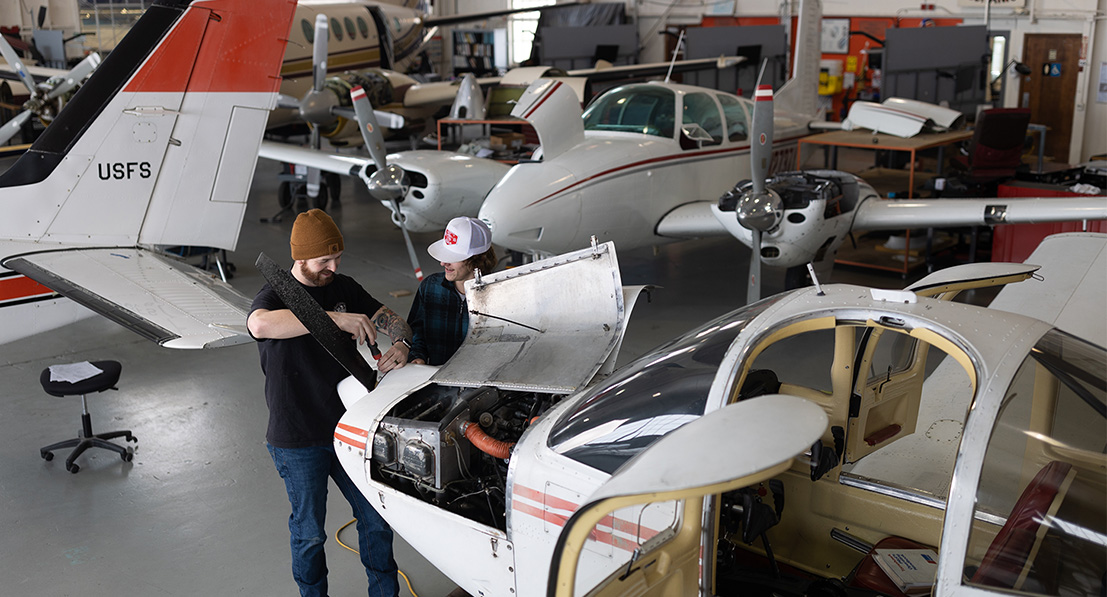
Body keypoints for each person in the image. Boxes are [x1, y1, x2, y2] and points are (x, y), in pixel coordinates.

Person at [247, 209, 409, 597]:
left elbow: (394, 321)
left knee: (375, 520)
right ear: (300, 257)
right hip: (298, 436)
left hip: (349, 427)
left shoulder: (344, 288)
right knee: (309, 534)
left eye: (338, 257)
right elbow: (259, 325)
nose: (333, 267)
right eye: (324, 260)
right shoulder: (274, 295)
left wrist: (402, 343)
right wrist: (335, 320)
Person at [407, 216, 496, 366]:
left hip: (479, 386)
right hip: (435, 382)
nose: (443, 262)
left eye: (453, 257)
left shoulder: (499, 295)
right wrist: (417, 356)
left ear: (477, 259)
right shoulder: (430, 287)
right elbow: (416, 332)